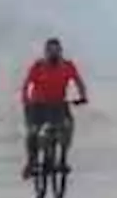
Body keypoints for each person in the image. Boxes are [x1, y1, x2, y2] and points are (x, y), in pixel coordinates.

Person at [20, 37, 88, 179]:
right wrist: (26, 100)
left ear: (61, 52)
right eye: (50, 51)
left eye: (56, 51)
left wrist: (82, 97)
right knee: (33, 132)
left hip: (58, 104)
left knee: (68, 126)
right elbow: (26, 85)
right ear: (45, 52)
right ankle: (31, 162)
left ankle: (63, 158)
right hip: (37, 105)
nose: (53, 54)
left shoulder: (68, 66)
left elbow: (79, 82)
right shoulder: (38, 66)